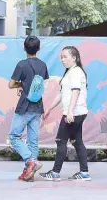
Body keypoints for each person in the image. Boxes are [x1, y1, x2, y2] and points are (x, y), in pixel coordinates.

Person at [39, 46, 91, 181]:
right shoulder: (69, 72)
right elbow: (61, 93)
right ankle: (84, 172)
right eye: (61, 57)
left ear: (74, 58)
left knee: (61, 141)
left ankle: (55, 173)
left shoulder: (76, 72)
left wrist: (69, 111)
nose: (62, 59)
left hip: (74, 113)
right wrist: (49, 108)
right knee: (77, 141)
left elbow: (76, 91)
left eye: (65, 56)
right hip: (76, 112)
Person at [8, 36, 49, 182]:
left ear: (24, 48)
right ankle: (29, 173)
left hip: (24, 106)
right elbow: (39, 85)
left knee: (14, 136)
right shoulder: (43, 65)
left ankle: (31, 160)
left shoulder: (22, 65)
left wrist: (21, 85)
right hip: (38, 106)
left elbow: (11, 84)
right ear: (38, 49)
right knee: (33, 140)